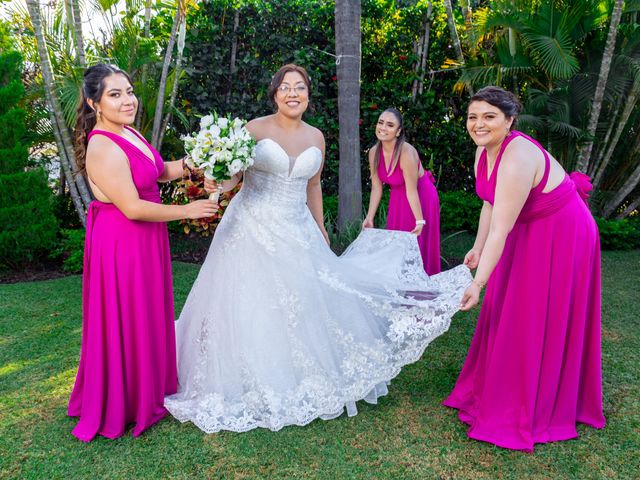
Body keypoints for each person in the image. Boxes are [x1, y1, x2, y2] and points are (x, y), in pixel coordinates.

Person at [164, 64, 471, 433]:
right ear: (275, 93)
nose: (293, 94)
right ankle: (246, 376)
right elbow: (234, 177)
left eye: (300, 88)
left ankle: (292, 371)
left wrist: (321, 226)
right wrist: (218, 175)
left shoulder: (317, 136)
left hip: (297, 228)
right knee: (250, 302)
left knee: (303, 301)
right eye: (285, 88)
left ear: (308, 94)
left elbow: (312, 186)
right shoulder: (253, 128)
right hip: (250, 226)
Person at [444, 86, 605, 452]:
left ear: (509, 120)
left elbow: (503, 225)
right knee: (512, 304)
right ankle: (500, 383)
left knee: (534, 310)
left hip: (563, 232)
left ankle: (537, 399)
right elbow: (489, 204)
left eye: (489, 117)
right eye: (473, 116)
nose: (478, 124)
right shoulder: (482, 151)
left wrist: (479, 283)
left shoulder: (517, 156)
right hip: (528, 225)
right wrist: (477, 246)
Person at [67, 63, 218, 442]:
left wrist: (193, 165)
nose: (128, 100)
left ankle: (150, 388)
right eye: (115, 95)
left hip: (145, 239)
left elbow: (157, 171)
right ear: (94, 102)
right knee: (129, 313)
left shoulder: (129, 132)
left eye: (129, 91)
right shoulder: (102, 144)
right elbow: (132, 207)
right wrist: (187, 211)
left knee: (148, 311)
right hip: (123, 242)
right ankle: (128, 401)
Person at [363, 108, 441, 275]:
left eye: (390, 125)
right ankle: (400, 287)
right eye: (381, 122)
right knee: (398, 245)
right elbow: (377, 187)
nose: (383, 128)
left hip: (421, 196)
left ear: (398, 132)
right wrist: (370, 217)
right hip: (398, 196)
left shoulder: (405, 153)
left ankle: (420, 289)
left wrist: (420, 221)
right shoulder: (373, 153)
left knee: (416, 243)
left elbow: (411, 190)